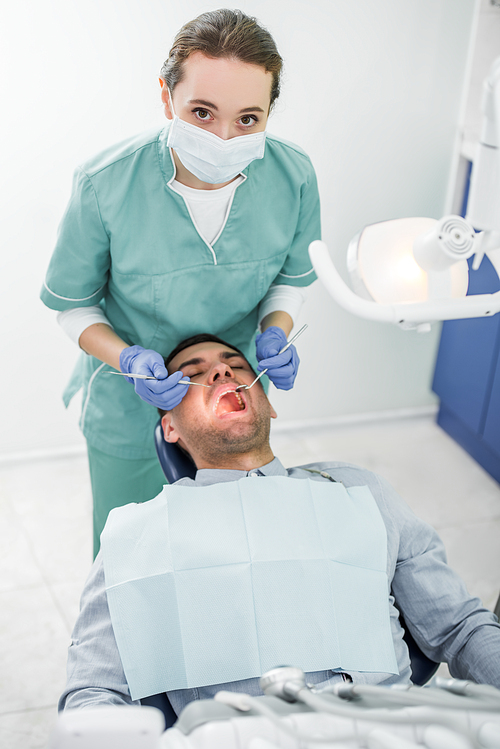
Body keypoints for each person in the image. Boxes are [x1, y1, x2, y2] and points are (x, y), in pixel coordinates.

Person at [59, 334, 500, 716]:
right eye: (193, 373)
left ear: (267, 403)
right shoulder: (136, 534)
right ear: (169, 426)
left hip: (389, 727)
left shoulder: (359, 490)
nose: (222, 374)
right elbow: (94, 692)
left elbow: (459, 628)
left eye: (235, 366)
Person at [40, 9, 320, 556]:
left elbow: (289, 278)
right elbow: (73, 306)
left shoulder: (294, 176)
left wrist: (276, 330)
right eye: (201, 112)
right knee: (127, 551)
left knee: (221, 546)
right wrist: (126, 360)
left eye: (248, 119)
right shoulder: (105, 183)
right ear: (167, 97)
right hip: (127, 400)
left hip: (225, 396)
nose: (223, 136)